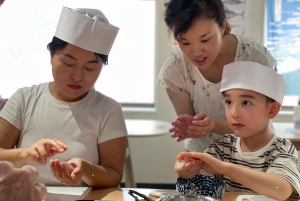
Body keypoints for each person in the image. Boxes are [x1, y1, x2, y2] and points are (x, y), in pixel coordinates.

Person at [0, 7, 127, 187]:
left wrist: (85, 169)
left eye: (90, 68)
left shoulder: (108, 109)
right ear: (51, 56)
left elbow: (114, 174)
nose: (77, 76)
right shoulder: (24, 98)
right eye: (68, 63)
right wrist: (25, 154)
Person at [159, 0, 277, 152]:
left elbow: (259, 126)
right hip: (203, 162)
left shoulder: (255, 58)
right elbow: (192, 127)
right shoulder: (175, 69)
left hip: (254, 162)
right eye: (185, 43)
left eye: (205, 40)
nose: (196, 52)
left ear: (222, 28)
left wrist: (214, 125)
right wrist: (191, 127)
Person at [174, 61, 300, 200]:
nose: (234, 113)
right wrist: (187, 172)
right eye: (228, 102)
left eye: (246, 103)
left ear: (272, 110)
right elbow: (199, 192)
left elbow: (281, 190)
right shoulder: (222, 148)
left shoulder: (282, 149)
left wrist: (226, 169)